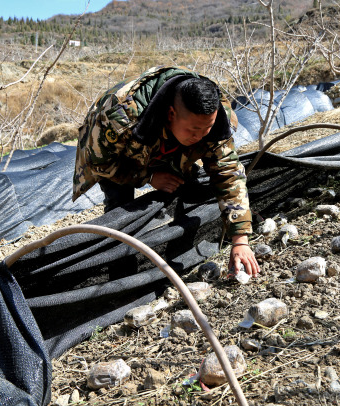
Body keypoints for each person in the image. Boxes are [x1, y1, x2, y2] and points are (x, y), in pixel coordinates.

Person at [72, 66, 260, 278]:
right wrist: (148, 177)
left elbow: (228, 173)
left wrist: (240, 240)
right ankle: (120, 276)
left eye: (206, 129)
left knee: (188, 183)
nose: (200, 136)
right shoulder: (121, 117)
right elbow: (101, 164)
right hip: (121, 152)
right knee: (121, 207)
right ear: (171, 114)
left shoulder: (215, 117)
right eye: (193, 130)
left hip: (165, 143)